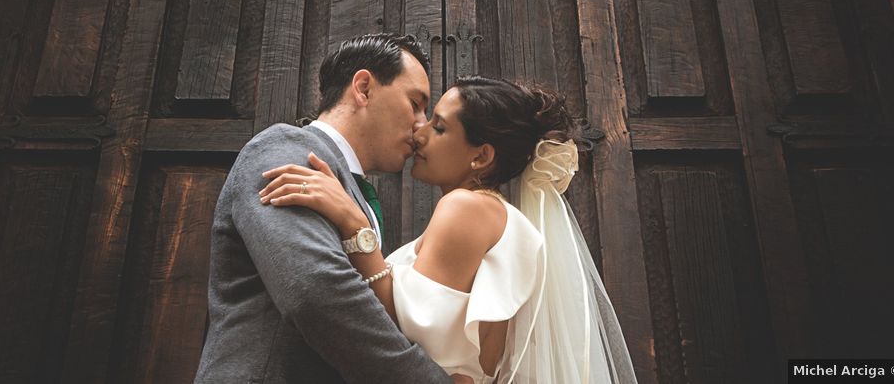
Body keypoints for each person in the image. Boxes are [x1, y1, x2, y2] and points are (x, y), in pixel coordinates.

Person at [259, 76, 640, 383]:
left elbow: (402, 333)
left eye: (439, 127)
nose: (419, 133)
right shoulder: (494, 216)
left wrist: (355, 224)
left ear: (481, 155)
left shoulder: (465, 208)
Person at [194, 33, 460, 383]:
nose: (421, 125)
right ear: (363, 88)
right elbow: (315, 291)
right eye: (415, 104)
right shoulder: (285, 150)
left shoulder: (350, 191)